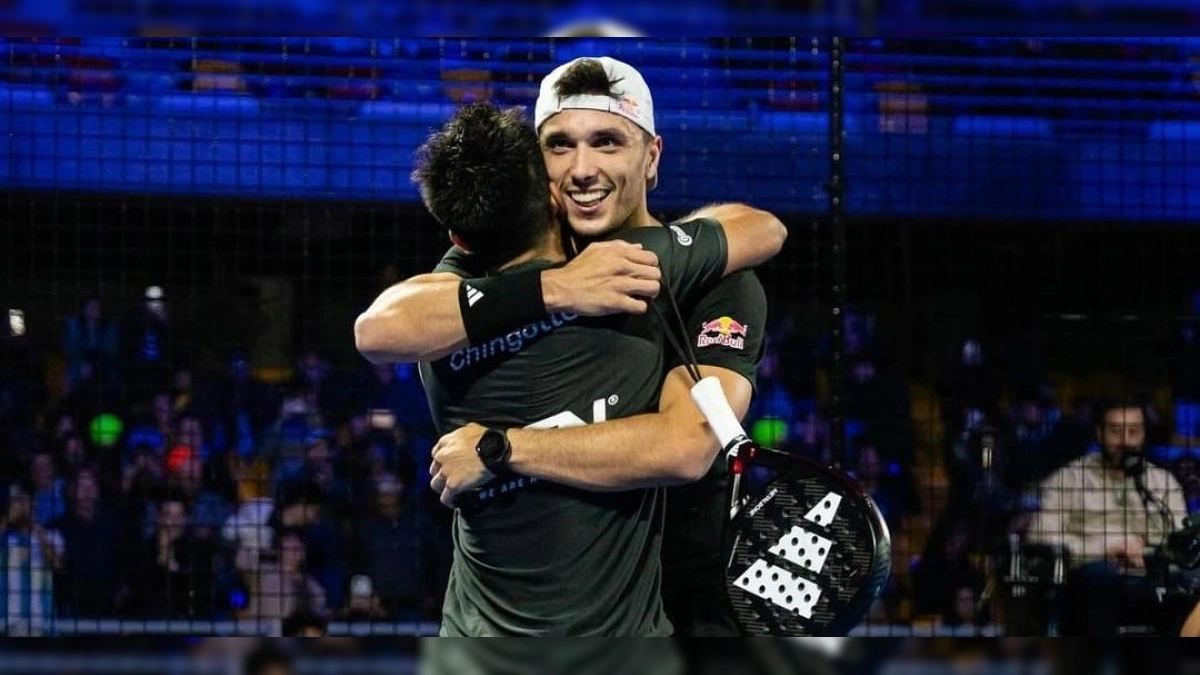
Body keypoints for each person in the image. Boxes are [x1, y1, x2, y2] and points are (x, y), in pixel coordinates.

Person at [356, 91, 781, 639]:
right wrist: (560, 287)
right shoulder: (646, 264)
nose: (583, 169)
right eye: (561, 147)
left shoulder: (450, 310)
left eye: (603, 142)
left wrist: (499, 448)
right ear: (551, 197)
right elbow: (765, 229)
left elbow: (376, 330)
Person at [1027, 397, 1188, 635]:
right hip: (1089, 579)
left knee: (1187, 586)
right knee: (1101, 579)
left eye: (1134, 431)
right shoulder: (1068, 479)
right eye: (1116, 431)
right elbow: (1040, 539)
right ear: (1099, 433)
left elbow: (1181, 545)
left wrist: (1146, 556)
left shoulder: (1163, 482)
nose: (1125, 441)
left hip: (1149, 579)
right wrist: (1105, 547)